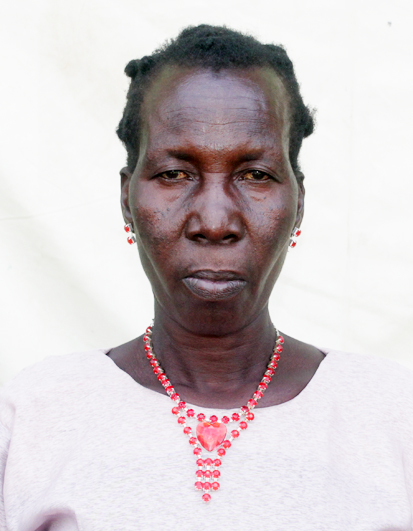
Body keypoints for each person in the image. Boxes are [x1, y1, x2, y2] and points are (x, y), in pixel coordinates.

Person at [0, 24, 412, 531]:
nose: (215, 222)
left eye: (255, 175)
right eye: (174, 174)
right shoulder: (34, 415)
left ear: (298, 203)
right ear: (127, 200)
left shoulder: (394, 415)